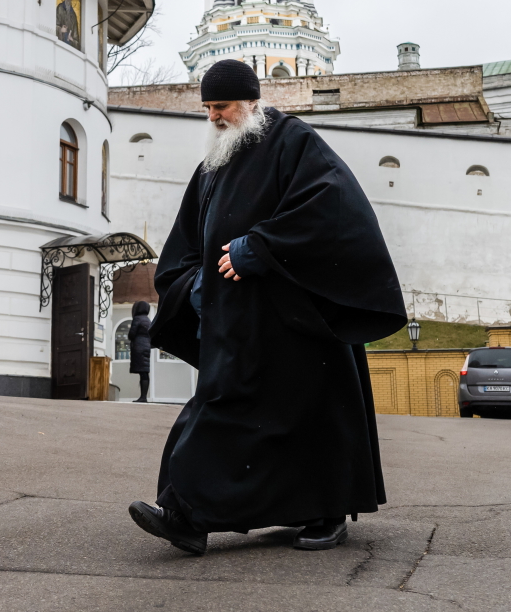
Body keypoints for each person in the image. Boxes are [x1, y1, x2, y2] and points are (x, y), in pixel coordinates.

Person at [128, 58, 406, 556]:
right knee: (222, 413)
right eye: (208, 107)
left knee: (310, 417)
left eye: (224, 106)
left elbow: (333, 207)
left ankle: (324, 513)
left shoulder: (293, 141)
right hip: (236, 323)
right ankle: (187, 517)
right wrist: (193, 283)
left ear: (252, 101)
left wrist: (260, 248)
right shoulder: (214, 162)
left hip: (295, 321)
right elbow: (190, 237)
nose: (214, 116)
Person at [128, 300, 153, 402]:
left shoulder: (137, 319)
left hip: (138, 348)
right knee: (145, 372)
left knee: (142, 373)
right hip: (147, 348)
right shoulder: (148, 320)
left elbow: (131, 334)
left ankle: (143, 397)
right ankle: (144, 396)